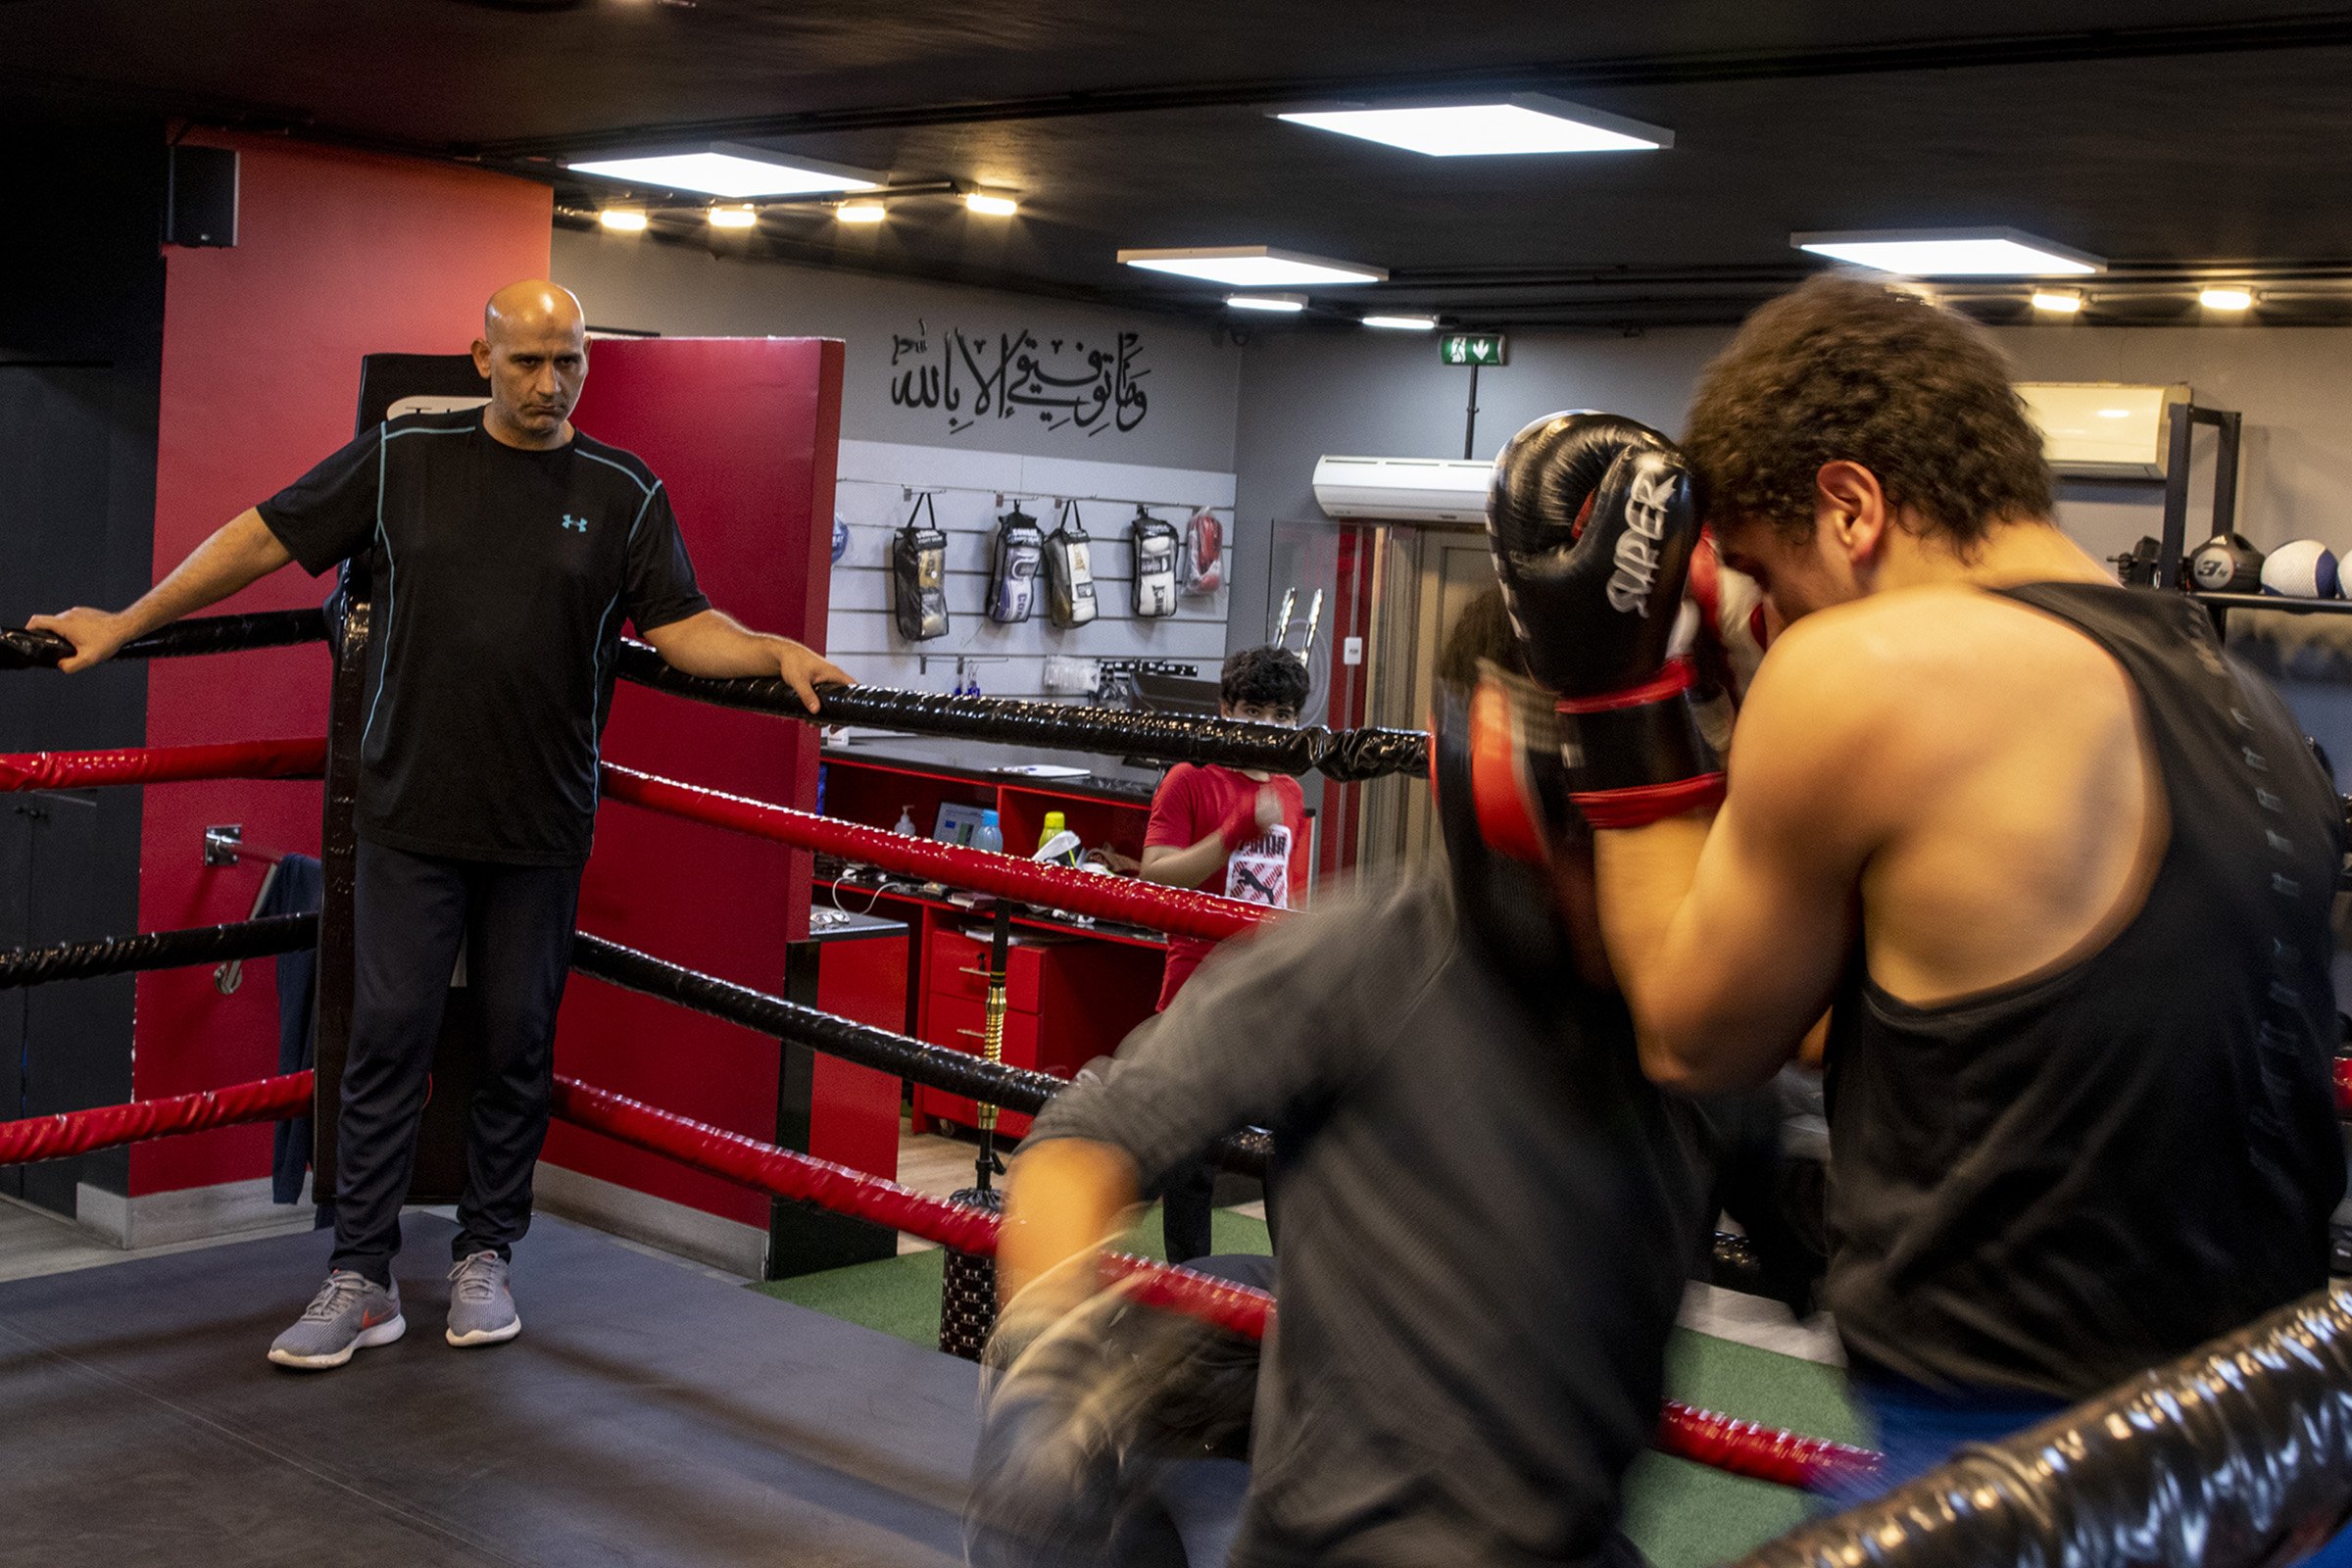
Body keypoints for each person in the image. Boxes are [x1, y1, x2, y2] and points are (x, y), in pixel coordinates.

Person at [1491, 274, 2347, 1497]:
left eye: (1763, 574)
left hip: (2021, 1472)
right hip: (2285, 1451)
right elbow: (1881, 1015)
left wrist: (1611, 696)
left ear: (1851, 504)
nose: (1769, 623)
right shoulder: (2239, 703)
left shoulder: (1870, 667)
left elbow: (1696, 1036)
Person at [31, 280, 853, 1370]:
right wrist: (129, 621)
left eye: (568, 361)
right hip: (410, 813)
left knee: (516, 1045)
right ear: (481, 358)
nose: (548, 382)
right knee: (386, 1043)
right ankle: (358, 1276)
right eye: (526, 361)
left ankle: (486, 1255)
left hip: (543, 824)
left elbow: (682, 623)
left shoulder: (622, 490)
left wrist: (773, 649)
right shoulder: (401, 460)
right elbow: (266, 536)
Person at [976, 601, 1736, 1568]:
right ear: (1510, 790)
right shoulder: (1364, 959)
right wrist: (1044, 1366)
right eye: (1616, 822)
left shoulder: (1710, 1024)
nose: (1658, 863)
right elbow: (1085, 1139)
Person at [1133, 644, 1311, 1262]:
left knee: (1291, 1145)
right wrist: (1233, 831)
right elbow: (1155, 877)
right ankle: (1187, 1292)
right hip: (1195, 995)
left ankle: (1294, 1291)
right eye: (1255, 711)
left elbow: (1292, 895)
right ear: (1226, 709)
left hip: (1265, 998)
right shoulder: (1191, 779)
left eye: (1282, 715)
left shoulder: (1290, 793)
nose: (1268, 727)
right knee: (1191, 1159)